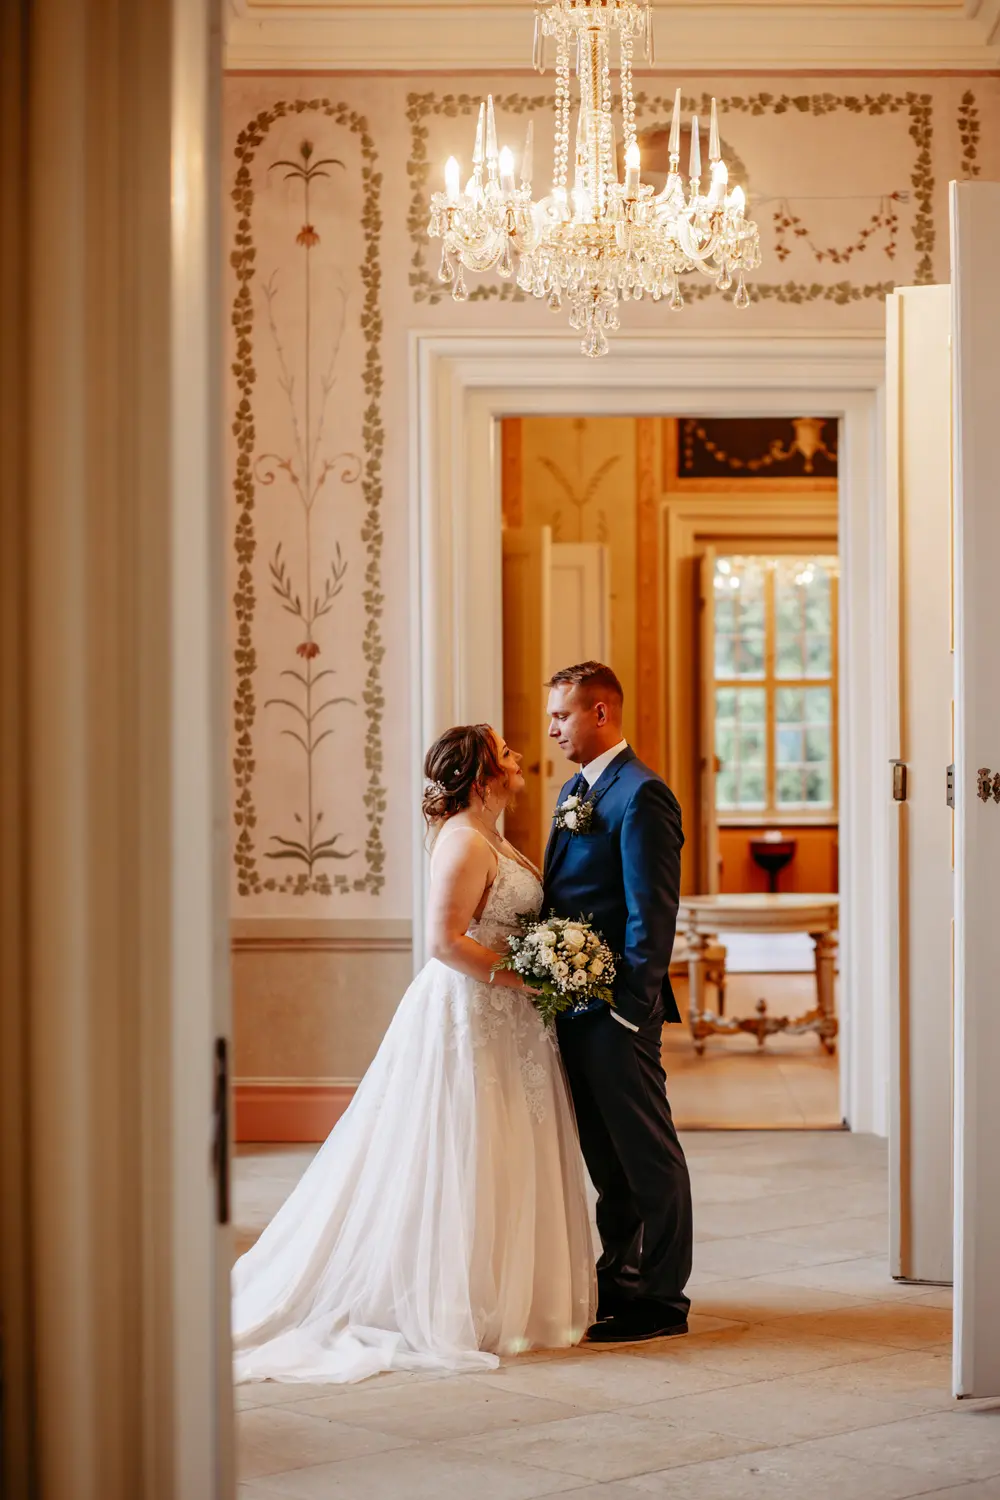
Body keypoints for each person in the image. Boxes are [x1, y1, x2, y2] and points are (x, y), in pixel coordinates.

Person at [232, 724, 595, 1384]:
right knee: (466, 1143)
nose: (519, 758)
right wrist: (526, 977)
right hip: (470, 1011)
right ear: (484, 776)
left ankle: (506, 1293)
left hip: (508, 1015)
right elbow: (445, 941)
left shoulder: (490, 833)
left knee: (505, 1141)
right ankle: (450, 1297)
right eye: (506, 753)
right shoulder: (462, 840)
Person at [544, 661, 693, 1344]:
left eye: (563, 715)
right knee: (607, 1160)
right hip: (573, 1007)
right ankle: (619, 1280)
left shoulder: (642, 796)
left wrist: (629, 1008)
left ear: (601, 713)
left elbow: (651, 913)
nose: (552, 729)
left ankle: (662, 1301)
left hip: (615, 1011)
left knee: (647, 1157)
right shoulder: (575, 790)